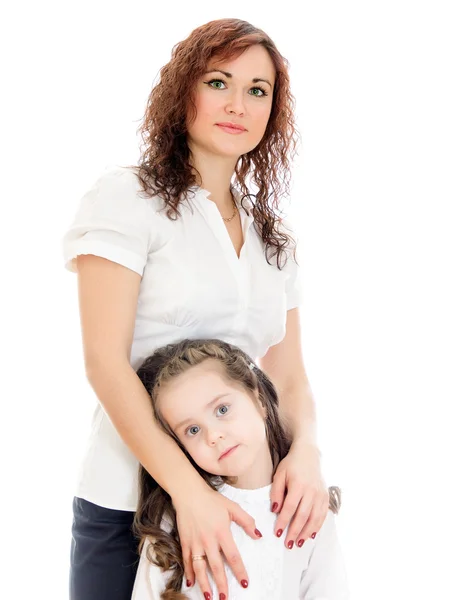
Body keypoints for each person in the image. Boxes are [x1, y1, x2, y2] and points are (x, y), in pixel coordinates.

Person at [63, 17, 330, 600]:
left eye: (257, 90)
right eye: (218, 81)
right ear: (183, 89)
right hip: (128, 505)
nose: (238, 103)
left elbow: (287, 375)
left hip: (245, 508)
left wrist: (307, 450)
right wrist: (190, 494)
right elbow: (105, 364)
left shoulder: (273, 236)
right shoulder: (126, 199)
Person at [131, 338, 348, 599]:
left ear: (258, 399)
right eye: (193, 430)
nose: (213, 436)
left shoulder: (308, 505)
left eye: (222, 409)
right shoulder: (176, 518)